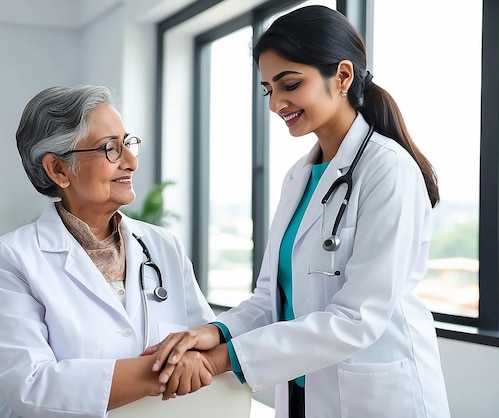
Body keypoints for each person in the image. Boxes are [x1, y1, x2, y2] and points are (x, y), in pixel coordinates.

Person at [146, 5, 451, 418]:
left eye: (290, 84)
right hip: (304, 391)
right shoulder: (299, 177)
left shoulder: (389, 170)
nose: (276, 104)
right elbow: (270, 298)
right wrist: (213, 332)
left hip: (375, 395)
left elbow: (357, 317)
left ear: (342, 76)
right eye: (268, 88)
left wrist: (221, 360)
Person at [0, 85, 216, 418]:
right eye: (111, 149)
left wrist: (192, 353)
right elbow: (31, 386)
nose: (132, 162)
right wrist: (162, 371)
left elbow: (205, 340)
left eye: (128, 144)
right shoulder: (12, 258)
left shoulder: (163, 246)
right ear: (58, 170)